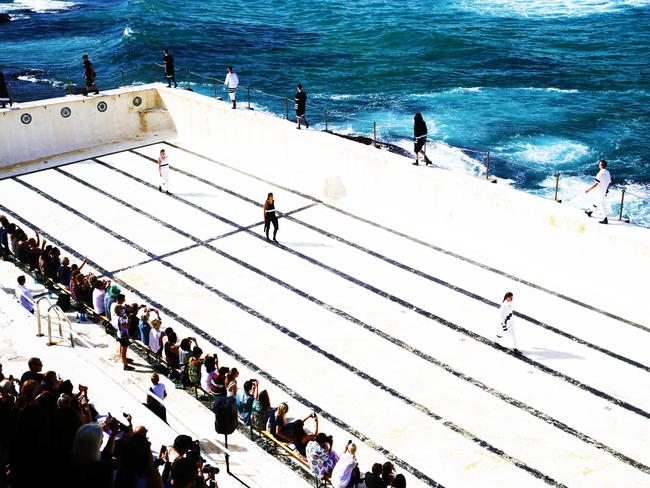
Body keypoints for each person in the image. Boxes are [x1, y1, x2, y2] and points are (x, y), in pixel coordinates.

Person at [585, 159, 612, 224]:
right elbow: (609, 182)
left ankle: (605, 219)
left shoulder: (600, 174)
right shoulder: (607, 172)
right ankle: (590, 212)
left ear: (600, 165)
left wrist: (588, 190)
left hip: (600, 191)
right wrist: (607, 190)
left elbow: (596, 184)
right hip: (604, 190)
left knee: (601, 204)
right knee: (596, 202)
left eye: (599, 164)